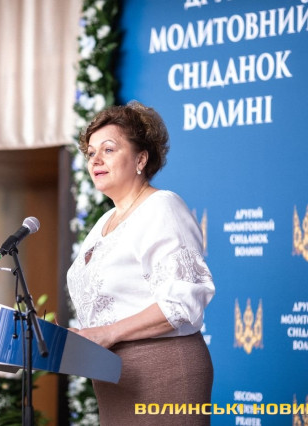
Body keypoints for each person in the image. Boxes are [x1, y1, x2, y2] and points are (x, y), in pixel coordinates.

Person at [66, 101, 216, 425]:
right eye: (91, 153)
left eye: (108, 149)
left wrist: (108, 333)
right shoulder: (103, 223)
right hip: (114, 378)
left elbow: (182, 302)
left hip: (162, 371)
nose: (96, 160)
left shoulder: (162, 207)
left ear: (141, 159)